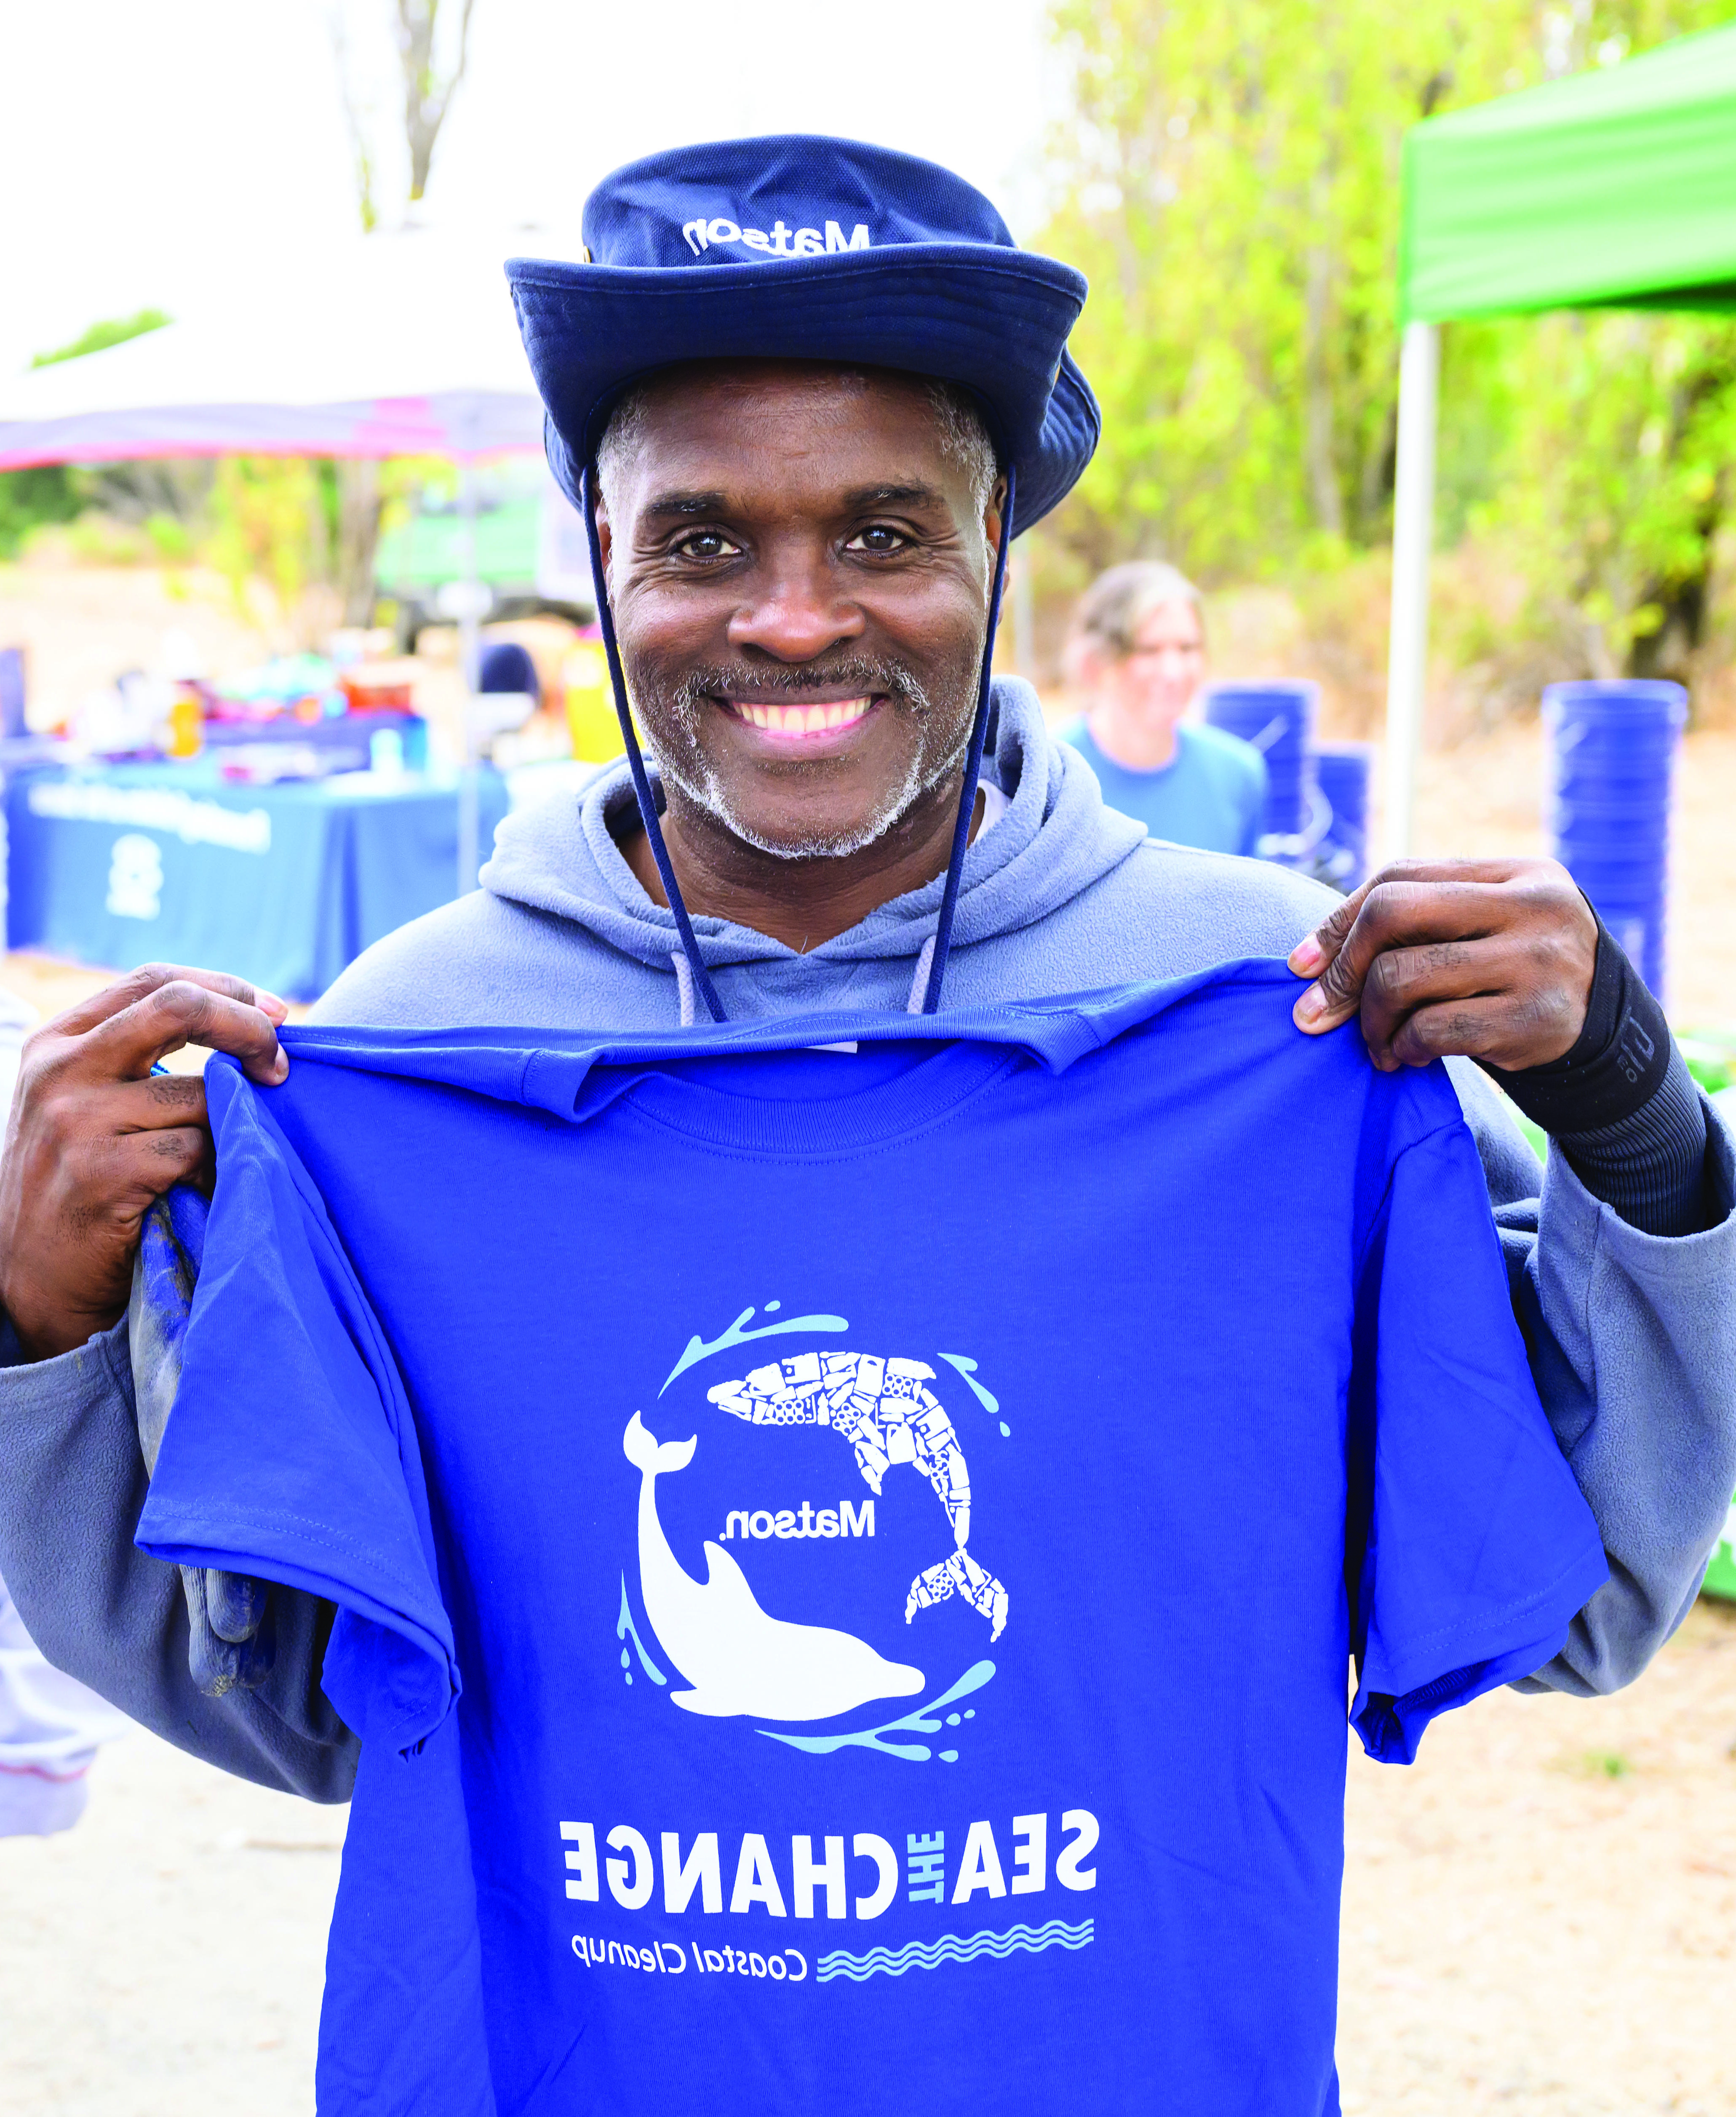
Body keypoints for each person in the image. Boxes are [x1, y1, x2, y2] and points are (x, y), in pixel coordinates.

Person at [0, 128, 1729, 2051]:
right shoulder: (418, 1052)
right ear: (602, 556)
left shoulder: (1278, 1023)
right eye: (702, 537)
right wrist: (44, 1341)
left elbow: (1569, 1601)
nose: (795, 614)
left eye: (886, 533)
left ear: (999, 545)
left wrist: (1634, 1126)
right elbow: (306, 1701)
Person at [1060, 559, 1268, 854]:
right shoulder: (1049, 775)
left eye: (1187, 648)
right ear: (1096, 662)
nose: (1173, 672)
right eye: (1148, 650)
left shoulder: (1238, 775)